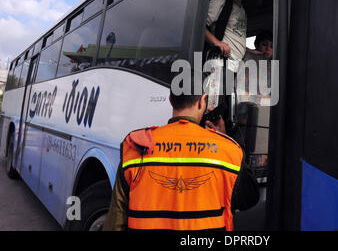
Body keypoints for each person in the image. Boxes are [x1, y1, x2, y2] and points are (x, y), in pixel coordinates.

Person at [102, 72, 259, 231]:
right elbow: (249, 199)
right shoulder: (228, 151)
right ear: (201, 102)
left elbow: (115, 222)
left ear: (171, 101)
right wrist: (224, 138)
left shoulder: (135, 147)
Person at [205, 0, 249, 69]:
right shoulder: (220, 2)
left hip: (235, 65)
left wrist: (250, 50)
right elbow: (198, 26)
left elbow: (236, 37)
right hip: (220, 62)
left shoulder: (243, 11)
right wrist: (217, 43)